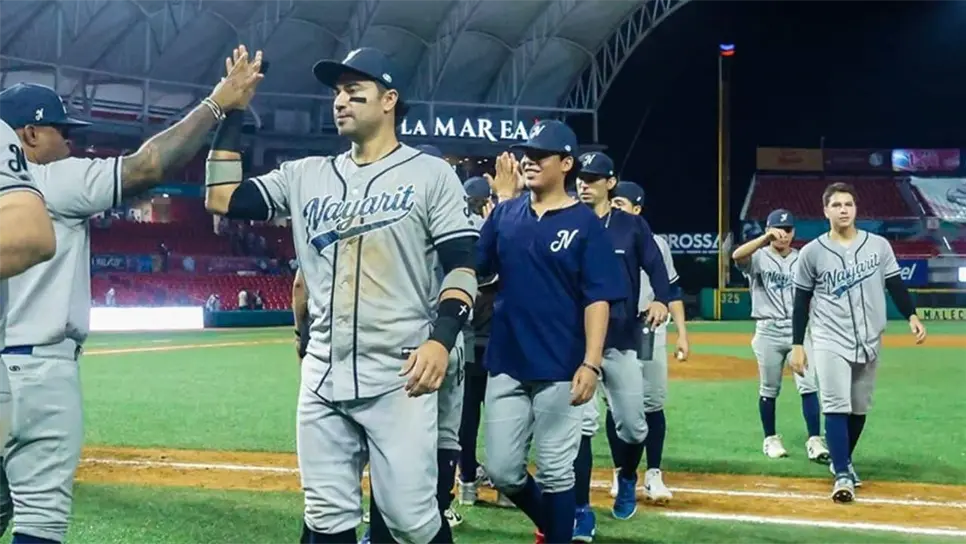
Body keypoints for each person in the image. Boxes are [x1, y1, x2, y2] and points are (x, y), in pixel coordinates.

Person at [204, 46, 477, 544]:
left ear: (389, 100)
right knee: (326, 517)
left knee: (412, 522)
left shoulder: (429, 174)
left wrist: (441, 339)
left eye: (356, 92)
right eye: (337, 93)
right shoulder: (305, 175)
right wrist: (234, 111)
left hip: (399, 374)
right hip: (324, 372)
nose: (341, 102)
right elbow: (221, 197)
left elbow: (463, 263)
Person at [0, 51, 263, 544]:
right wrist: (216, 105)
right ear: (29, 135)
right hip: (39, 374)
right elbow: (148, 166)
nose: (71, 141)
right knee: (40, 521)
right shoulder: (51, 179)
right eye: (62, 131)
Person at [477, 120, 627, 544]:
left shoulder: (585, 225)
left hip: (562, 364)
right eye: (527, 153)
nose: (529, 160)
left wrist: (591, 363)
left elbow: (598, 299)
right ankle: (554, 524)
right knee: (504, 469)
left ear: (566, 164)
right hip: (506, 359)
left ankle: (557, 533)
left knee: (558, 469)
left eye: (540, 155)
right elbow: (478, 268)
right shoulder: (506, 213)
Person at [360, 144, 471, 544]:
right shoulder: (457, 212)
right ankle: (436, 513)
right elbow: (481, 273)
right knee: (443, 435)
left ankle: (384, 531)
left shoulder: (388, 216)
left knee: (388, 437)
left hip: (400, 341)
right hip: (449, 336)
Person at [790, 182, 926, 503]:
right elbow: (800, 302)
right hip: (828, 338)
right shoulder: (812, 252)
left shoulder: (878, 246)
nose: (843, 210)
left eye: (848, 204)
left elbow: (895, 284)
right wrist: (797, 343)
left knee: (859, 407)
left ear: (856, 209)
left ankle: (842, 457)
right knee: (836, 404)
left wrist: (912, 315)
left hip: (869, 338)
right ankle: (842, 475)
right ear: (825, 211)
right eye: (836, 205)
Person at [569, 155, 670, 539]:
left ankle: (627, 476)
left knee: (632, 427)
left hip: (622, 339)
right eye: (581, 178)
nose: (585, 184)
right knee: (581, 427)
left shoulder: (630, 226)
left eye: (593, 179)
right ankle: (580, 509)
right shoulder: (568, 221)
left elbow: (656, 267)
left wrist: (661, 298)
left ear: (611, 183)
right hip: (575, 343)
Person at [607, 181, 686, 505]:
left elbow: (672, 291)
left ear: (638, 210)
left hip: (649, 329)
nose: (615, 208)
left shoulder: (656, 244)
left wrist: (682, 332)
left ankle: (653, 473)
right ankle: (619, 470)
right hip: (614, 329)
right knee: (616, 408)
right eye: (613, 202)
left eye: (622, 203)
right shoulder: (597, 235)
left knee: (652, 403)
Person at [731, 208, 827, 461]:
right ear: (768, 230)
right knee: (769, 388)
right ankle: (771, 439)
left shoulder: (802, 258)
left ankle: (815, 440)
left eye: (787, 230)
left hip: (799, 329)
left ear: (794, 232)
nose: (783, 235)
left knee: (808, 385)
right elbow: (736, 255)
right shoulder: (758, 257)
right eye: (777, 229)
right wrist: (764, 240)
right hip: (768, 329)